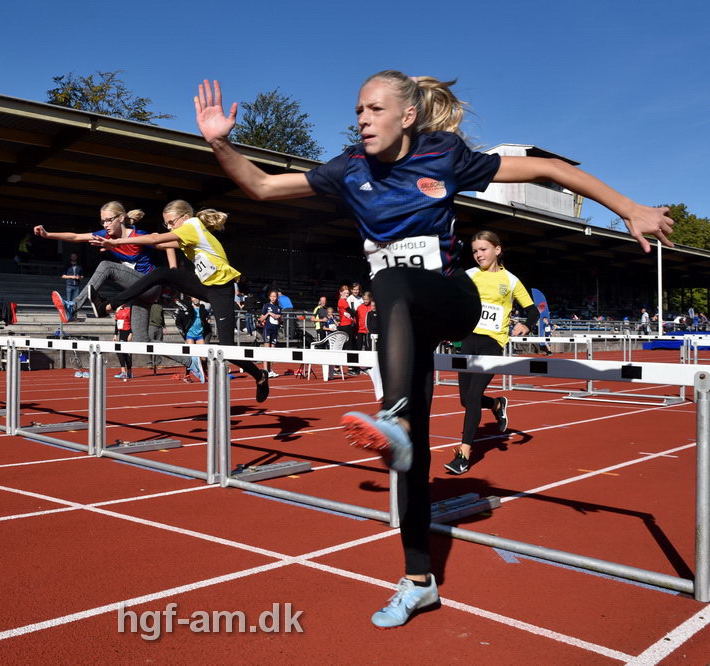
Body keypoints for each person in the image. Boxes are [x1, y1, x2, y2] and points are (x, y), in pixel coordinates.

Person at [194, 74, 673, 627]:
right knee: (410, 460)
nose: (362, 119)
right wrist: (219, 143)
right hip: (404, 329)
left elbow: (550, 169)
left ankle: (391, 415)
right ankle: (418, 579)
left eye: (375, 109)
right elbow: (262, 187)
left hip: (451, 299)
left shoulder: (444, 154)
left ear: (408, 116)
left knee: (391, 282)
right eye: (358, 110)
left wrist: (627, 206)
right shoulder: (349, 168)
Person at [87, 200, 269, 401]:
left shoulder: (192, 226)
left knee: (229, 351)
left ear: (184, 217)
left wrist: (115, 242)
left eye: (172, 223)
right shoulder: (187, 233)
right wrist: (120, 240)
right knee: (161, 274)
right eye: (168, 225)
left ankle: (260, 376)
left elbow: (157, 238)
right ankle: (108, 305)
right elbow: (157, 242)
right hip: (203, 285)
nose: (171, 227)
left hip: (221, 291)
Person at [37, 202, 199, 380]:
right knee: (141, 341)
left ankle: (73, 308)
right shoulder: (105, 235)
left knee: (107, 266)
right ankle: (191, 362)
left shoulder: (138, 235)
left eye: (108, 220)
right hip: (137, 293)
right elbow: (75, 237)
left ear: (121, 218)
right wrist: (48, 235)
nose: (105, 225)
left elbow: (167, 244)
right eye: (102, 221)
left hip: (151, 286)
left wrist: (173, 270)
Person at [444, 231, 537, 475]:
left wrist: (526, 324)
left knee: (473, 397)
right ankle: (497, 404)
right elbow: (451, 300)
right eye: (475, 251)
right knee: (465, 399)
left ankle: (463, 455)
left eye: (483, 249)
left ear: (497, 250)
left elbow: (532, 310)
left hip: (492, 343)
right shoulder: (470, 275)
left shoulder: (511, 280)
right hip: (467, 340)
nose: (478, 255)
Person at [260, 290, 282, 378]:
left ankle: (270, 370)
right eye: (272, 296)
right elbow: (261, 319)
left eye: (275, 296)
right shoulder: (266, 306)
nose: (273, 298)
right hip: (267, 329)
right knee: (267, 350)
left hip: (275, 330)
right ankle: (265, 370)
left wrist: (279, 317)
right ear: (269, 297)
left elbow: (281, 321)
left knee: (272, 351)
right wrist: (269, 314)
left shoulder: (279, 307)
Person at [113, 304, 133, 379]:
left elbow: (132, 322)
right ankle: (128, 372)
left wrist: (131, 333)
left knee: (122, 352)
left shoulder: (129, 310)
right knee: (122, 352)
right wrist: (115, 334)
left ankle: (125, 371)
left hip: (127, 332)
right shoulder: (118, 310)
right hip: (121, 332)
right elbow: (116, 323)